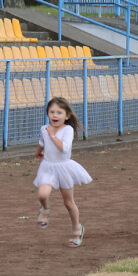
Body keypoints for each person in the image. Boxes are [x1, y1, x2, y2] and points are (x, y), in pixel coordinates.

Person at [34, 97, 92, 247]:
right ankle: (45, 209)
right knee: (42, 194)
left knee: (68, 203)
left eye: (59, 112)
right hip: (48, 166)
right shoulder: (44, 129)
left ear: (67, 116)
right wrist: (39, 152)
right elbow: (41, 143)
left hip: (64, 168)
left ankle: (77, 229)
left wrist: (52, 135)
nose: (55, 115)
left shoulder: (68, 130)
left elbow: (64, 148)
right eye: (52, 112)